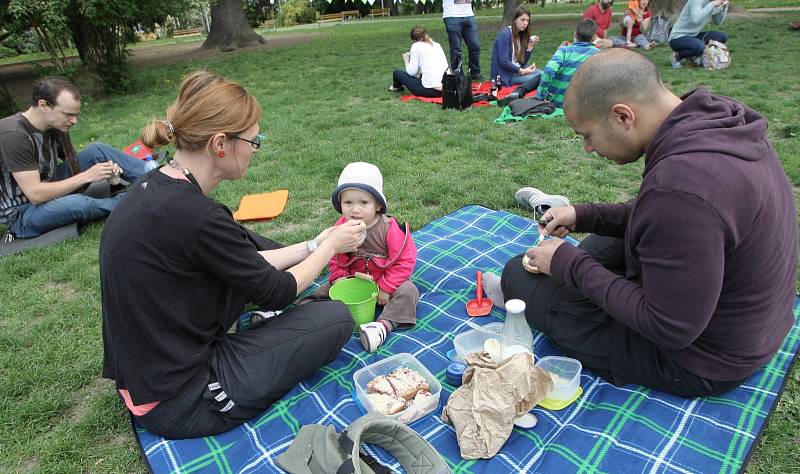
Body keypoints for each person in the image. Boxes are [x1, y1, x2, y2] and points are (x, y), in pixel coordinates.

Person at [494, 49, 798, 398]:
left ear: (623, 116)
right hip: (750, 321)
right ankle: (580, 278)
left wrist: (567, 263)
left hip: (703, 359)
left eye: (588, 134)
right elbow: (658, 216)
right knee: (593, 248)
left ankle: (563, 288)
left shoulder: (680, 187)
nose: (587, 148)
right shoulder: (713, 122)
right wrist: (584, 214)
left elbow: (670, 328)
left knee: (518, 273)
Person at [100, 71, 367, 439]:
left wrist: (312, 245)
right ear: (220, 144)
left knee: (262, 248)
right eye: (253, 140)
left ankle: (260, 325)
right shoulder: (199, 218)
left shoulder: (155, 189)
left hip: (148, 371)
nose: (256, 148)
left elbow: (251, 262)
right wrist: (330, 247)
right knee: (335, 318)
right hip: (181, 398)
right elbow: (278, 290)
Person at [0, 76, 145, 240]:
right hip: (23, 213)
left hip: (49, 184)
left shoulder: (52, 124)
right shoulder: (13, 135)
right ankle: (135, 200)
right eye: (68, 115)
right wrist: (88, 176)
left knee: (97, 150)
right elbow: (35, 194)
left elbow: (74, 162)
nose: (74, 121)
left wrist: (108, 169)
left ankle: (154, 177)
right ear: (43, 105)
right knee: (77, 203)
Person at [311, 162, 419, 353]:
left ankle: (382, 326)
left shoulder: (389, 228)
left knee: (408, 291)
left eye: (363, 203)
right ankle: (291, 314)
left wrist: (386, 287)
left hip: (386, 280)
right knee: (322, 291)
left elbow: (405, 260)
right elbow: (335, 256)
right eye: (348, 203)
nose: (355, 210)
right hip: (355, 281)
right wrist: (340, 279)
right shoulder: (343, 227)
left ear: (378, 204)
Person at [532, 19, 600, 109]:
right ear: (594, 38)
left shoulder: (564, 51)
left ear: (575, 34)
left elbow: (549, 70)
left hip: (556, 101)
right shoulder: (598, 54)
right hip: (581, 103)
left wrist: (541, 94)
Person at [490, 6, 543, 107]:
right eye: (522, 20)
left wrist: (530, 47)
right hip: (506, 75)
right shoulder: (505, 35)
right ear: (515, 20)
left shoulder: (522, 35)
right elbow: (504, 61)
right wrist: (523, 71)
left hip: (517, 70)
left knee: (544, 74)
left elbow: (522, 62)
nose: (525, 23)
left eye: (527, 20)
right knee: (540, 78)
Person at [388, 26, 448, 98]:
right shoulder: (436, 44)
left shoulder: (415, 46)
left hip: (431, 91)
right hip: (447, 88)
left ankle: (396, 87)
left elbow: (411, 72)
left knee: (397, 73)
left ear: (414, 40)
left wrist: (406, 60)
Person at [669, 0, 729, 68]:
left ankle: (694, 56)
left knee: (722, 37)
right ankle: (676, 57)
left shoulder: (713, 2)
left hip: (694, 35)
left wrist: (724, 9)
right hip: (677, 37)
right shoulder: (696, 1)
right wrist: (712, 5)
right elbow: (695, 19)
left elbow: (717, 22)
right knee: (699, 46)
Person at [442, 0, 482, 81]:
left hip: (469, 15)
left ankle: (475, 72)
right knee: (456, 49)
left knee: (475, 46)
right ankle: (459, 75)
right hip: (452, 15)